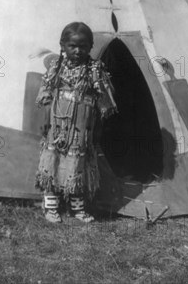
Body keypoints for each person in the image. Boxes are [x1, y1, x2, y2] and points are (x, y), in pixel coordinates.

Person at [35, 22, 117, 223]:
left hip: (82, 126)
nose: (78, 50)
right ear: (62, 45)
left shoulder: (95, 71)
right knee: (52, 161)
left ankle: (77, 208)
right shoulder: (56, 68)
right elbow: (45, 93)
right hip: (57, 124)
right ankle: (51, 206)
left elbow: (103, 101)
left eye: (83, 46)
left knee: (78, 163)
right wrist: (46, 120)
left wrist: (97, 128)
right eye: (72, 46)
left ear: (90, 47)